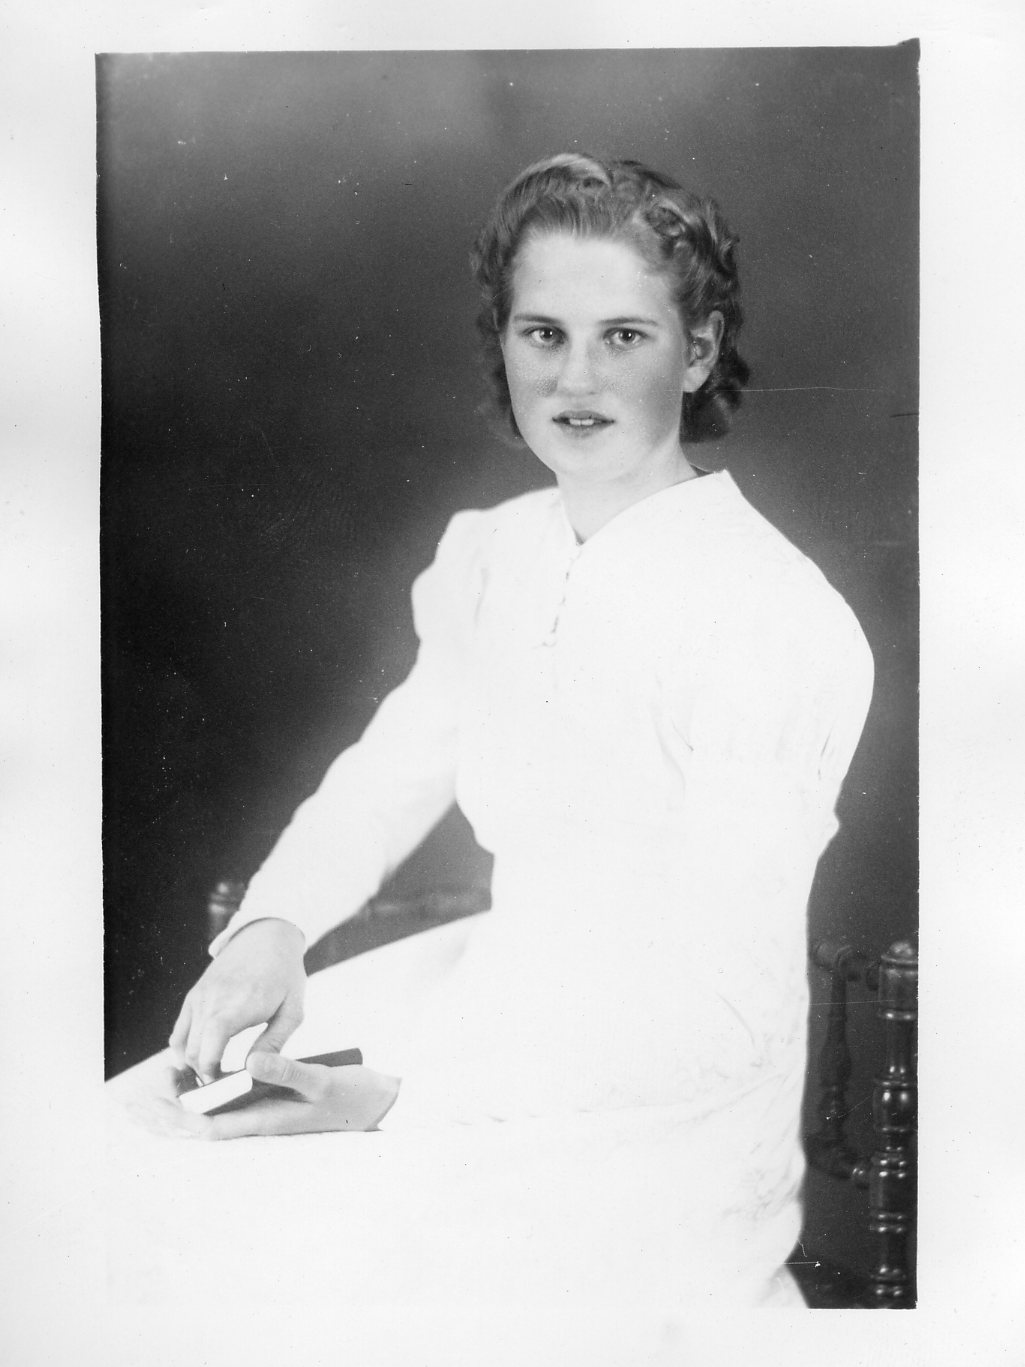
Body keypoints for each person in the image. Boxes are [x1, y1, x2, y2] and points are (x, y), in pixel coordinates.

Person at [144, 152, 873, 1302]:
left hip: (661, 1117)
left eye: (623, 335)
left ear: (695, 349)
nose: (575, 376)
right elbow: (391, 768)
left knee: (289, 1265)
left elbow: (720, 1011)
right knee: (146, 1176)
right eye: (543, 333)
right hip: (490, 1005)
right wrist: (274, 925)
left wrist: (400, 1102)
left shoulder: (772, 619)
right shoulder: (496, 551)